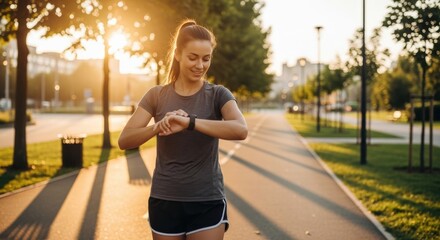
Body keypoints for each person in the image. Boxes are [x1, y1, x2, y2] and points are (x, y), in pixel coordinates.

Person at [118, 19, 248, 240]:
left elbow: (240, 129)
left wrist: (190, 122)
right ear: (177, 54)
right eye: (193, 57)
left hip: (207, 200)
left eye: (206, 59)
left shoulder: (218, 94)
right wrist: (157, 127)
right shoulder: (156, 95)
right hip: (165, 200)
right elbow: (125, 140)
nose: (200, 65)